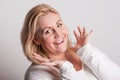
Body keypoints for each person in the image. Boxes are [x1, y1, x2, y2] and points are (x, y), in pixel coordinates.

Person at [20, 3, 120, 80]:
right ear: (37, 39)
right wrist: (65, 69)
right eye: (48, 31)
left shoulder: (83, 51)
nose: (58, 34)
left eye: (59, 25)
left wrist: (87, 52)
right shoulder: (36, 74)